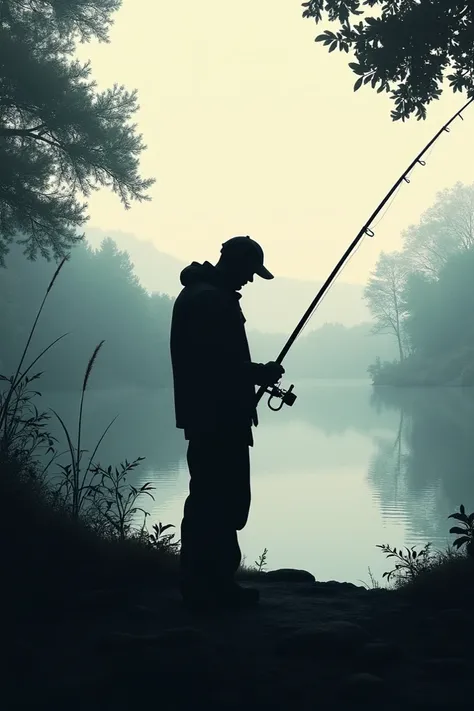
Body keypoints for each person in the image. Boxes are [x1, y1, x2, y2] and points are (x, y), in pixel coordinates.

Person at [170, 236, 285, 611]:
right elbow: (215, 365)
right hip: (218, 418)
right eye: (250, 272)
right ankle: (213, 588)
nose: (250, 281)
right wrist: (258, 373)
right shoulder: (210, 300)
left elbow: (215, 361)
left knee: (208, 498)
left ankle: (205, 584)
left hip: (209, 416)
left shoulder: (201, 295)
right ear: (234, 262)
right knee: (219, 501)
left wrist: (253, 374)